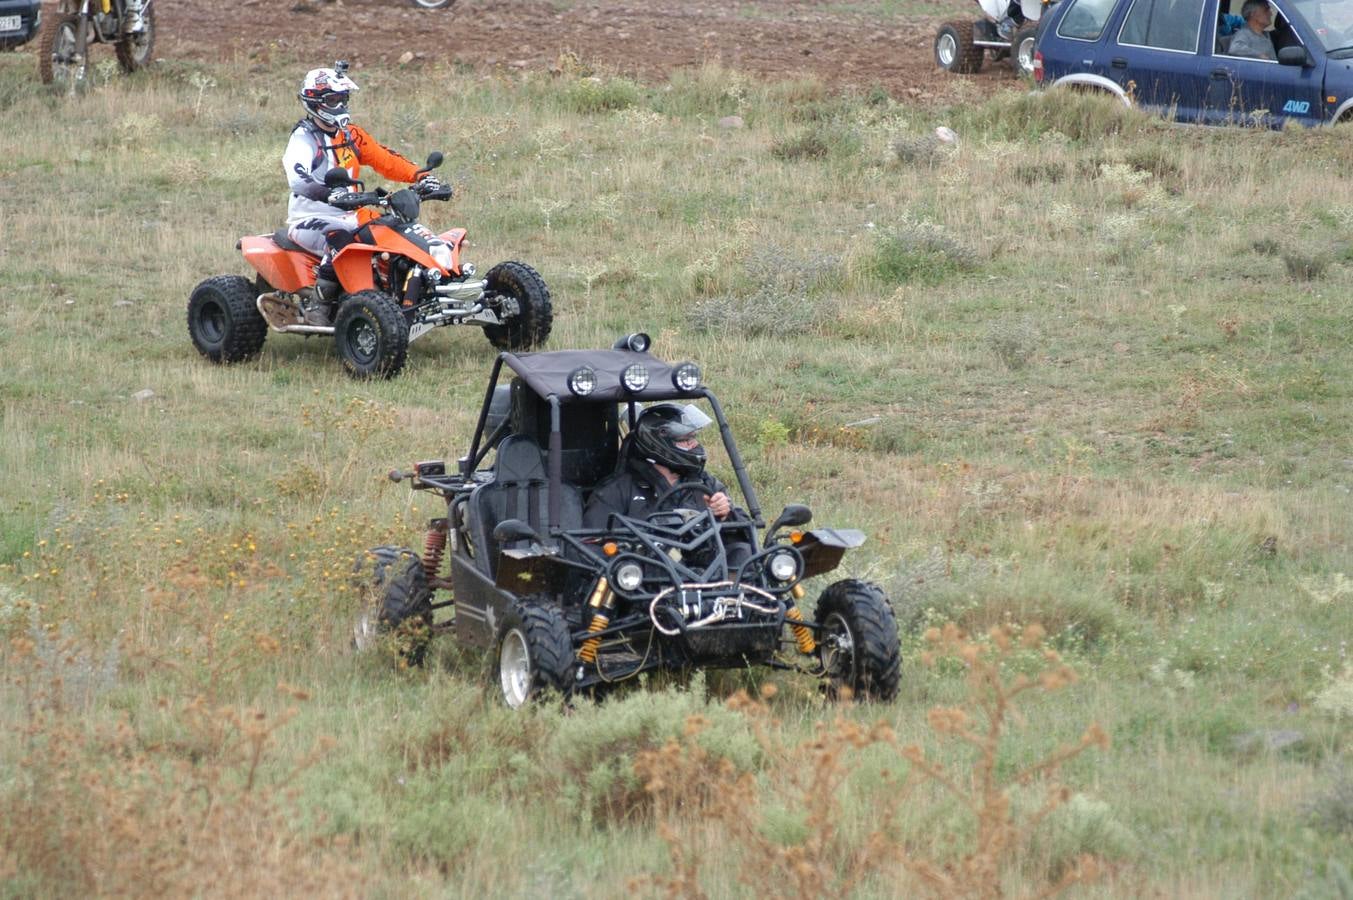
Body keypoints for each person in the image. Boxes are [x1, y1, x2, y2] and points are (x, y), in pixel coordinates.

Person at [283, 62, 443, 308]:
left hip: (353, 213)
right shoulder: (303, 138)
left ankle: (402, 294)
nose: (342, 106)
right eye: (335, 100)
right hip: (311, 217)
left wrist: (420, 176)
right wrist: (328, 194)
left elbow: (386, 159)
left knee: (395, 233)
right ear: (316, 102)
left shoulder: (350, 135)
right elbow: (297, 178)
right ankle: (320, 306)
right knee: (340, 240)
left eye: (344, 99)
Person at [583, 405, 753, 569]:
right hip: (647, 580)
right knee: (663, 556)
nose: (693, 445)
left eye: (693, 437)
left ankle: (746, 598)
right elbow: (589, 546)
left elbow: (745, 531)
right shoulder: (617, 490)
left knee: (742, 552)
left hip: (706, 573)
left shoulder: (705, 484)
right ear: (659, 443)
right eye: (685, 440)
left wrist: (726, 514)